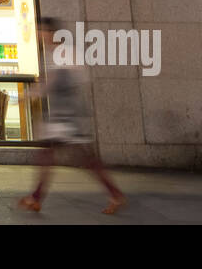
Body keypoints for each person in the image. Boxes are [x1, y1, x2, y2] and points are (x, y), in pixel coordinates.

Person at [19, 16, 125, 215]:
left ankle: (36, 197)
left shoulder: (62, 53)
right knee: (64, 156)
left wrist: (31, 93)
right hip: (64, 115)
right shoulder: (56, 54)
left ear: (50, 33)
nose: (39, 35)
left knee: (73, 157)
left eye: (41, 31)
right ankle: (36, 197)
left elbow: (57, 81)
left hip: (66, 117)